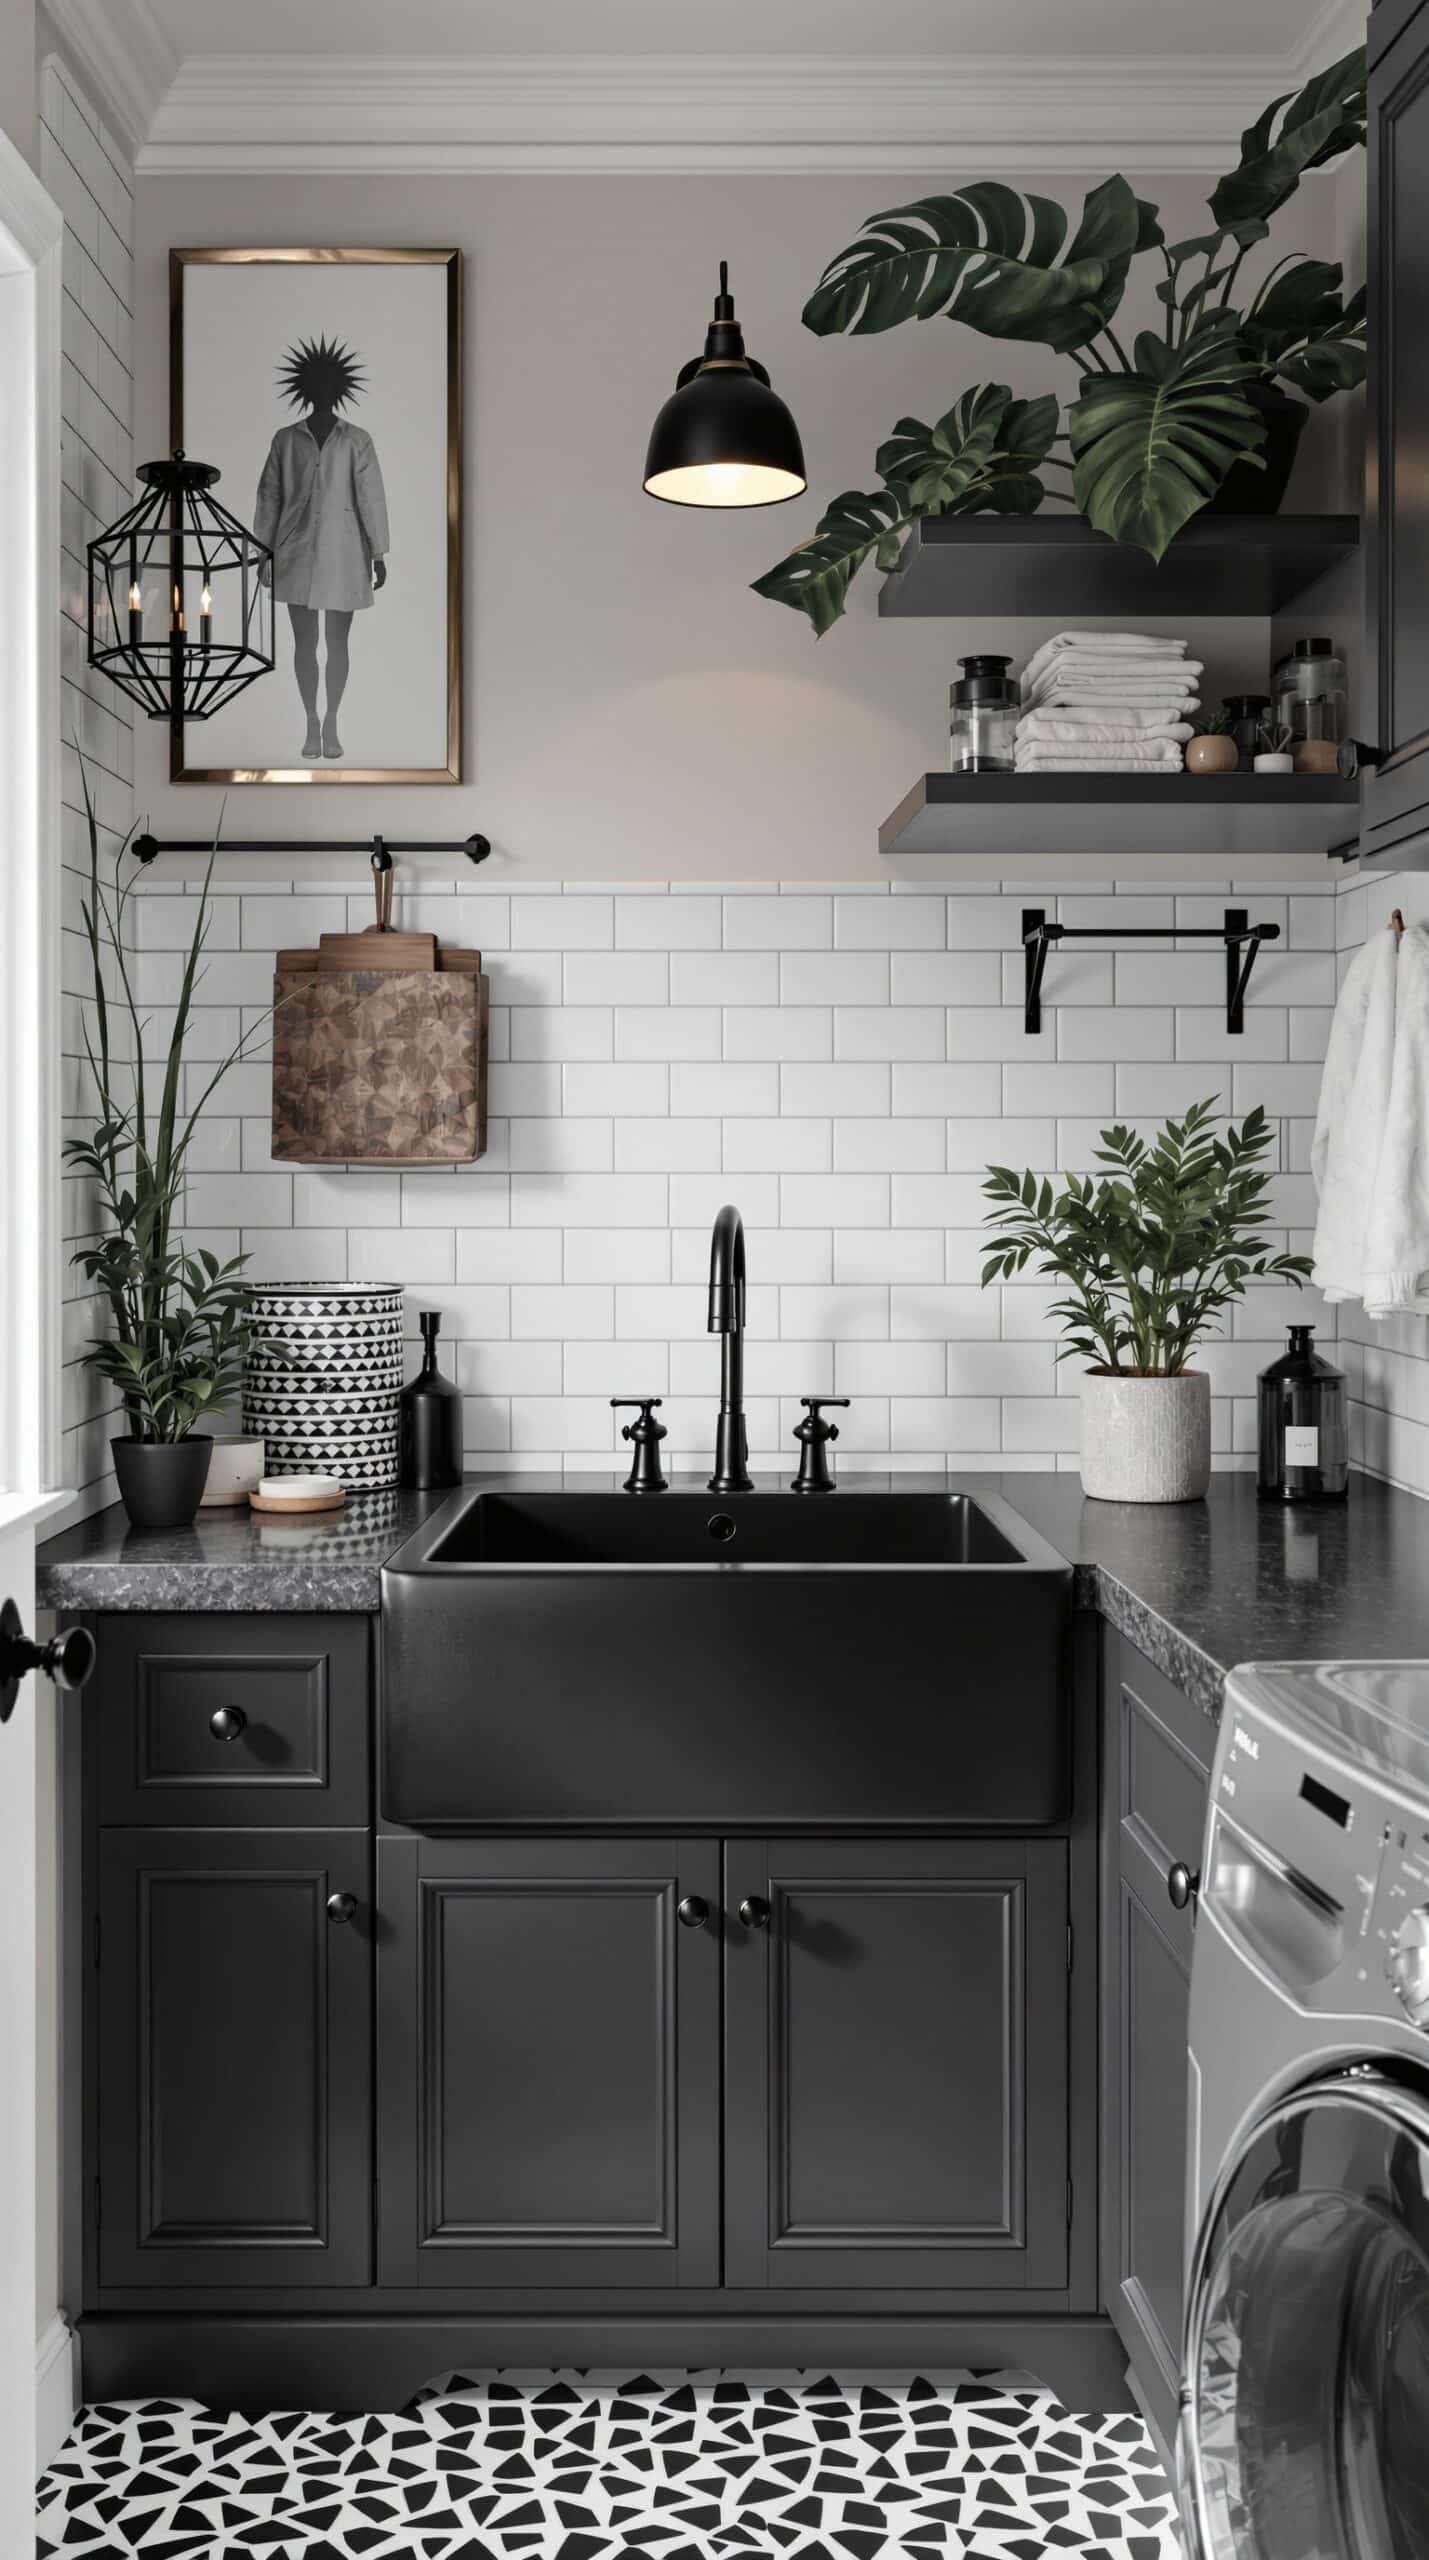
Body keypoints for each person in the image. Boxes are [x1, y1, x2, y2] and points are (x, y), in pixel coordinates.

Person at [253, 334, 390, 762]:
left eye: (331, 385)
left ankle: (332, 720)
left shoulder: (357, 440)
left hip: (346, 551)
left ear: (340, 390)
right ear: (307, 390)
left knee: (338, 641)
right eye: (318, 385)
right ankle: (311, 720)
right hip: (293, 548)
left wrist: (378, 551)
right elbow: (270, 496)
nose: (324, 392)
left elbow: (371, 496)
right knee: (304, 643)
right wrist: (263, 551)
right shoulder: (285, 439)